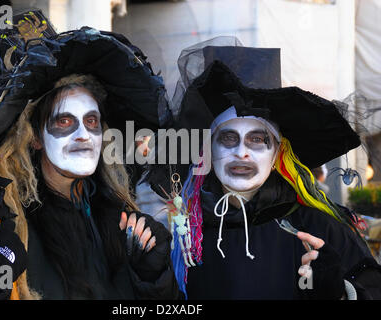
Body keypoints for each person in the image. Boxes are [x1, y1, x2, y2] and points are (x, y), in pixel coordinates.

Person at [0, 9, 178, 300]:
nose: (83, 135)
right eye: (64, 121)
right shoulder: (8, 224)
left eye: (91, 121)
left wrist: (149, 276)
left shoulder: (116, 216)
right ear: (35, 137)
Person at [154, 38, 381, 299]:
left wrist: (340, 292)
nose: (241, 152)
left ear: (277, 153)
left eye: (258, 139)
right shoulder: (186, 235)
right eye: (228, 138)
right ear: (208, 150)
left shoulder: (319, 229)